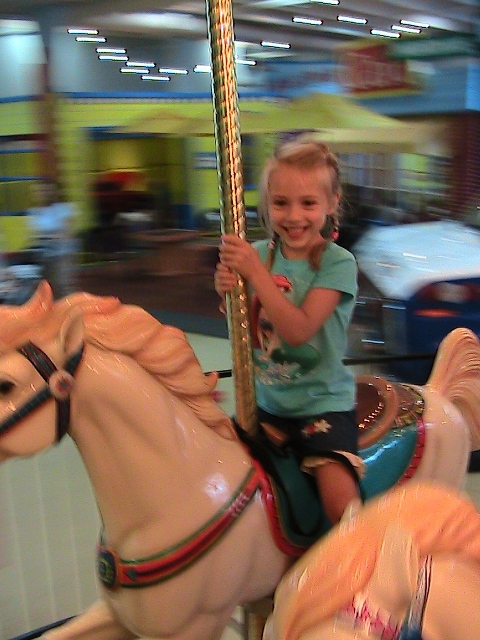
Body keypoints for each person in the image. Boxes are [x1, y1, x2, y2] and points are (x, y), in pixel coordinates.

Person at [214, 134, 362, 525]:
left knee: (338, 499)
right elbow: (243, 328)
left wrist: (254, 273)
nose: (293, 216)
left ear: (331, 204)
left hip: (322, 405)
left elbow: (299, 331)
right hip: (267, 404)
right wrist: (227, 293)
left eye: (308, 203)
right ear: (267, 205)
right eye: (281, 203)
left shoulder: (337, 263)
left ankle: (364, 563)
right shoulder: (260, 255)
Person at [28, 180, 78, 299]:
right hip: (45, 254)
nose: (41, 194)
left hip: (63, 253)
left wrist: (50, 236)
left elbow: (68, 232)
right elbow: (35, 234)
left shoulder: (63, 208)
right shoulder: (34, 212)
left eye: (45, 191)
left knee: (63, 285)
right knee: (48, 287)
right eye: (38, 191)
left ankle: (73, 311)